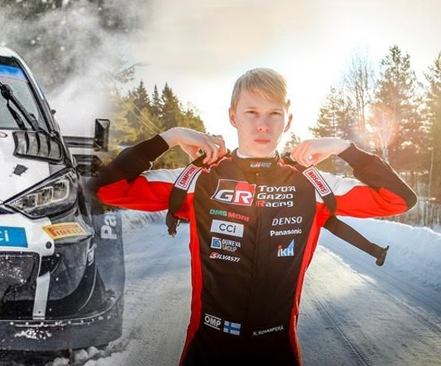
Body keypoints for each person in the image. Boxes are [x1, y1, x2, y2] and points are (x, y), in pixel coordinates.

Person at [88, 68, 416, 365]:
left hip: (278, 349)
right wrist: (170, 137)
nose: (263, 124)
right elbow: (106, 188)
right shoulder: (199, 180)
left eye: (274, 113)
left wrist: (345, 148)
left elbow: (399, 199)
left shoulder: (312, 186)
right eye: (252, 112)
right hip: (207, 348)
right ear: (233, 116)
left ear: (288, 121)